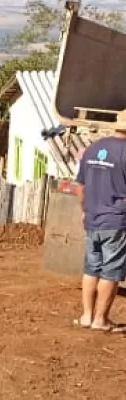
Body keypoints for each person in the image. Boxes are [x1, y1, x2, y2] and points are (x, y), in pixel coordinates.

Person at [75, 127, 126, 332]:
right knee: (111, 271)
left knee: (91, 268)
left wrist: (85, 210)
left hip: (92, 218)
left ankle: (86, 316)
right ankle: (100, 320)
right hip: (116, 220)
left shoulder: (93, 148)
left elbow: (80, 185)